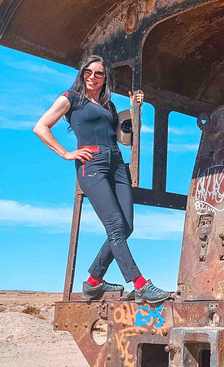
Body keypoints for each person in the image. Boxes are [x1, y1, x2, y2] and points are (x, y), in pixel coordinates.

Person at [33, 55, 171, 304]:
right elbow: (41, 127)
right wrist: (66, 153)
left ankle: (94, 282)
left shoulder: (108, 106)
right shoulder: (70, 99)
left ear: (105, 78)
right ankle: (140, 284)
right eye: (88, 72)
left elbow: (125, 136)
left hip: (117, 164)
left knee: (126, 226)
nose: (92, 77)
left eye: (98, 73)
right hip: (92, 165)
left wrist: (135, 107)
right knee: (116, 227)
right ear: (82, 73)